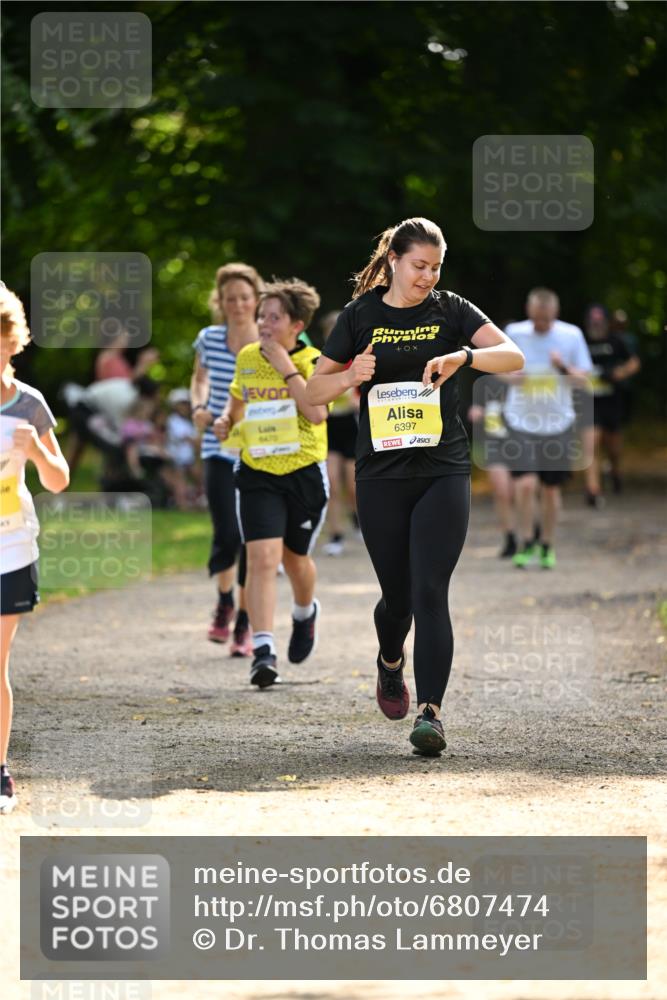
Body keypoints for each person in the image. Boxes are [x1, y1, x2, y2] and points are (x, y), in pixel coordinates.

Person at [305, 217, 524, 755]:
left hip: (443, 469)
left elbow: (514, 357)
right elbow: (312, 394)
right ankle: (389, 661)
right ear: (395, 261)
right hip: (380, 475)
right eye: (419, 265)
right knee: (397, 599)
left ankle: (431, 715)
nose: (428, 276)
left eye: (436, 267)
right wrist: (351, 376)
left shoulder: (451, 309)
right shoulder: (360, 315)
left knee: (431, 591)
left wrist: (464, 357)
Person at [215, 278, 328, 689]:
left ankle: (304, 612)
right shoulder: (246, 356)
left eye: (273, 317)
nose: (263, 323)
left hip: (303, 473)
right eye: (262, 316)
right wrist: (226, 420)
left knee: (295, 558)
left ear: (296, 324)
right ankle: (263, 650)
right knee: (262, 558)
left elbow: (317, 414)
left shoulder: (316, 359)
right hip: (258, 470)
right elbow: (237, 402)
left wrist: (285, 366)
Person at [1, 286, 70, 815]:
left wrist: (36, 449)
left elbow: (59, 479)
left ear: (12, 341)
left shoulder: (29, 402)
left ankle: (0, 772)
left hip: (10, 543)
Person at [190, 263, 264, 658]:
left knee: (254, 537)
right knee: (227, 534)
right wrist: (199, 406)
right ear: (219, 302)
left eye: (244, 297)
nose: (237, 304)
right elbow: (199, 378)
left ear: (256, 300)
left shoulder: (271, 340)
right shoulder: (209, 338)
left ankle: (244, 625)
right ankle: (224, 601)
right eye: (229, 298)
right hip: (217, 447)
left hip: (259, 447)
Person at [503, 288, 592, 568]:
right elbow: (496, 370)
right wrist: (510, 377)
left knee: (551, 490)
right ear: (529, 312)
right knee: (526, 484)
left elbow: (584, 379)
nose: (541, 324)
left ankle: (547, 544)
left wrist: (562, 366)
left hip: (557, 422)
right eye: (537, 319)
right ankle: (526, 540)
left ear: (555, 313)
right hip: (520, 419)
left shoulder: (571, 335)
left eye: (546, 319)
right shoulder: (515, 332)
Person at [583, 304, 641, 502]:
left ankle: (615, 471)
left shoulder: (616, 341)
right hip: (590, 400)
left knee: (613, 447)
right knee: (591, 443)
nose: (595, 325)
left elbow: (634, 362)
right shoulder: (581, 340)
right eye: (592, 321)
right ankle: (593, 489)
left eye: (599, 321)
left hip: (612, 399)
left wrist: (618, 373)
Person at [319, 310, 359, 556]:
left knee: (353, 486)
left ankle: (357, 517)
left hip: (352, 427)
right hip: (329, 427)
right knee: (332, 483)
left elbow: (365, 398)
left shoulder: (357, 360)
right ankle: (336, 535)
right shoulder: (320, 362)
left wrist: (353, 397)